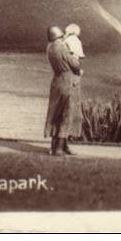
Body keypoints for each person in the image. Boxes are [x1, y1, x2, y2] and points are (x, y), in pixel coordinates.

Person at [44, 25, 82, 156]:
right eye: (61, 36)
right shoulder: (62, 46)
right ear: (59, 36)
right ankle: (59, 149)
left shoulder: (49, 47)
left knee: (56, 114)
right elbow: (75, 64)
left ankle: (58, 146)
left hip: (56, 81)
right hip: (68, 82)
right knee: (67, 114)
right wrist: (76, 56)